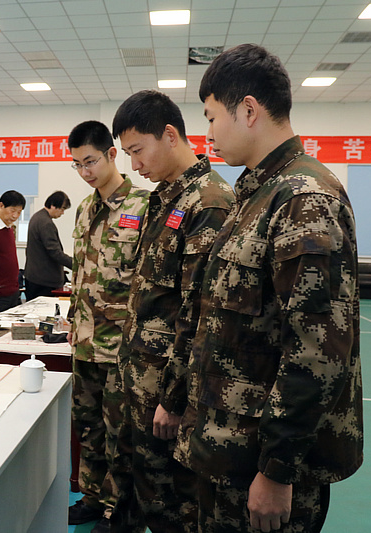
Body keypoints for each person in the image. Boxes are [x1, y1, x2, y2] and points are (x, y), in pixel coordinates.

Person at [175, 43, 363, 532]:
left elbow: (317, 352)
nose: (208, 132)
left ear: (249, 110)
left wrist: (277, 471)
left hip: (261, 465)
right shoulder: (259, 191)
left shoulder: (303, 198)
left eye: (212, 117)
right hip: (228, 448)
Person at [109, 90, 235, 533]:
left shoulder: (210, 202)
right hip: (139, 377)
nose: (134, 166)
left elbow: (200, 315)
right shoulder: (165, 197)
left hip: (167, 392)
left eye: (138, 151)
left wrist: (173, 397)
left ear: (169, 135)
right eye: (127, 155)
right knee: (139, 486)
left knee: (173, 505)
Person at [67, 120, 149, 533]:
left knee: (122, 434)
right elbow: (82, 275)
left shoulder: (144, 206)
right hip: (84, 342)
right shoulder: (83, 209)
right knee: (88, 427)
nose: (85, 172)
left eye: (91, 161)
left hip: (122, 347)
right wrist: (71, 322)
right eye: (77, 165)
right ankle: (92, 497)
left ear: (113, 154)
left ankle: (121, 511)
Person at [23, 190, 73, 301]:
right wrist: (77, 265)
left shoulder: (37, 217)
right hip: (43, 281)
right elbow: (55, 253)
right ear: (53, 206)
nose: (63, 213)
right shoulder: (46, 223)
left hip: (34, 277)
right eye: (62, 209)